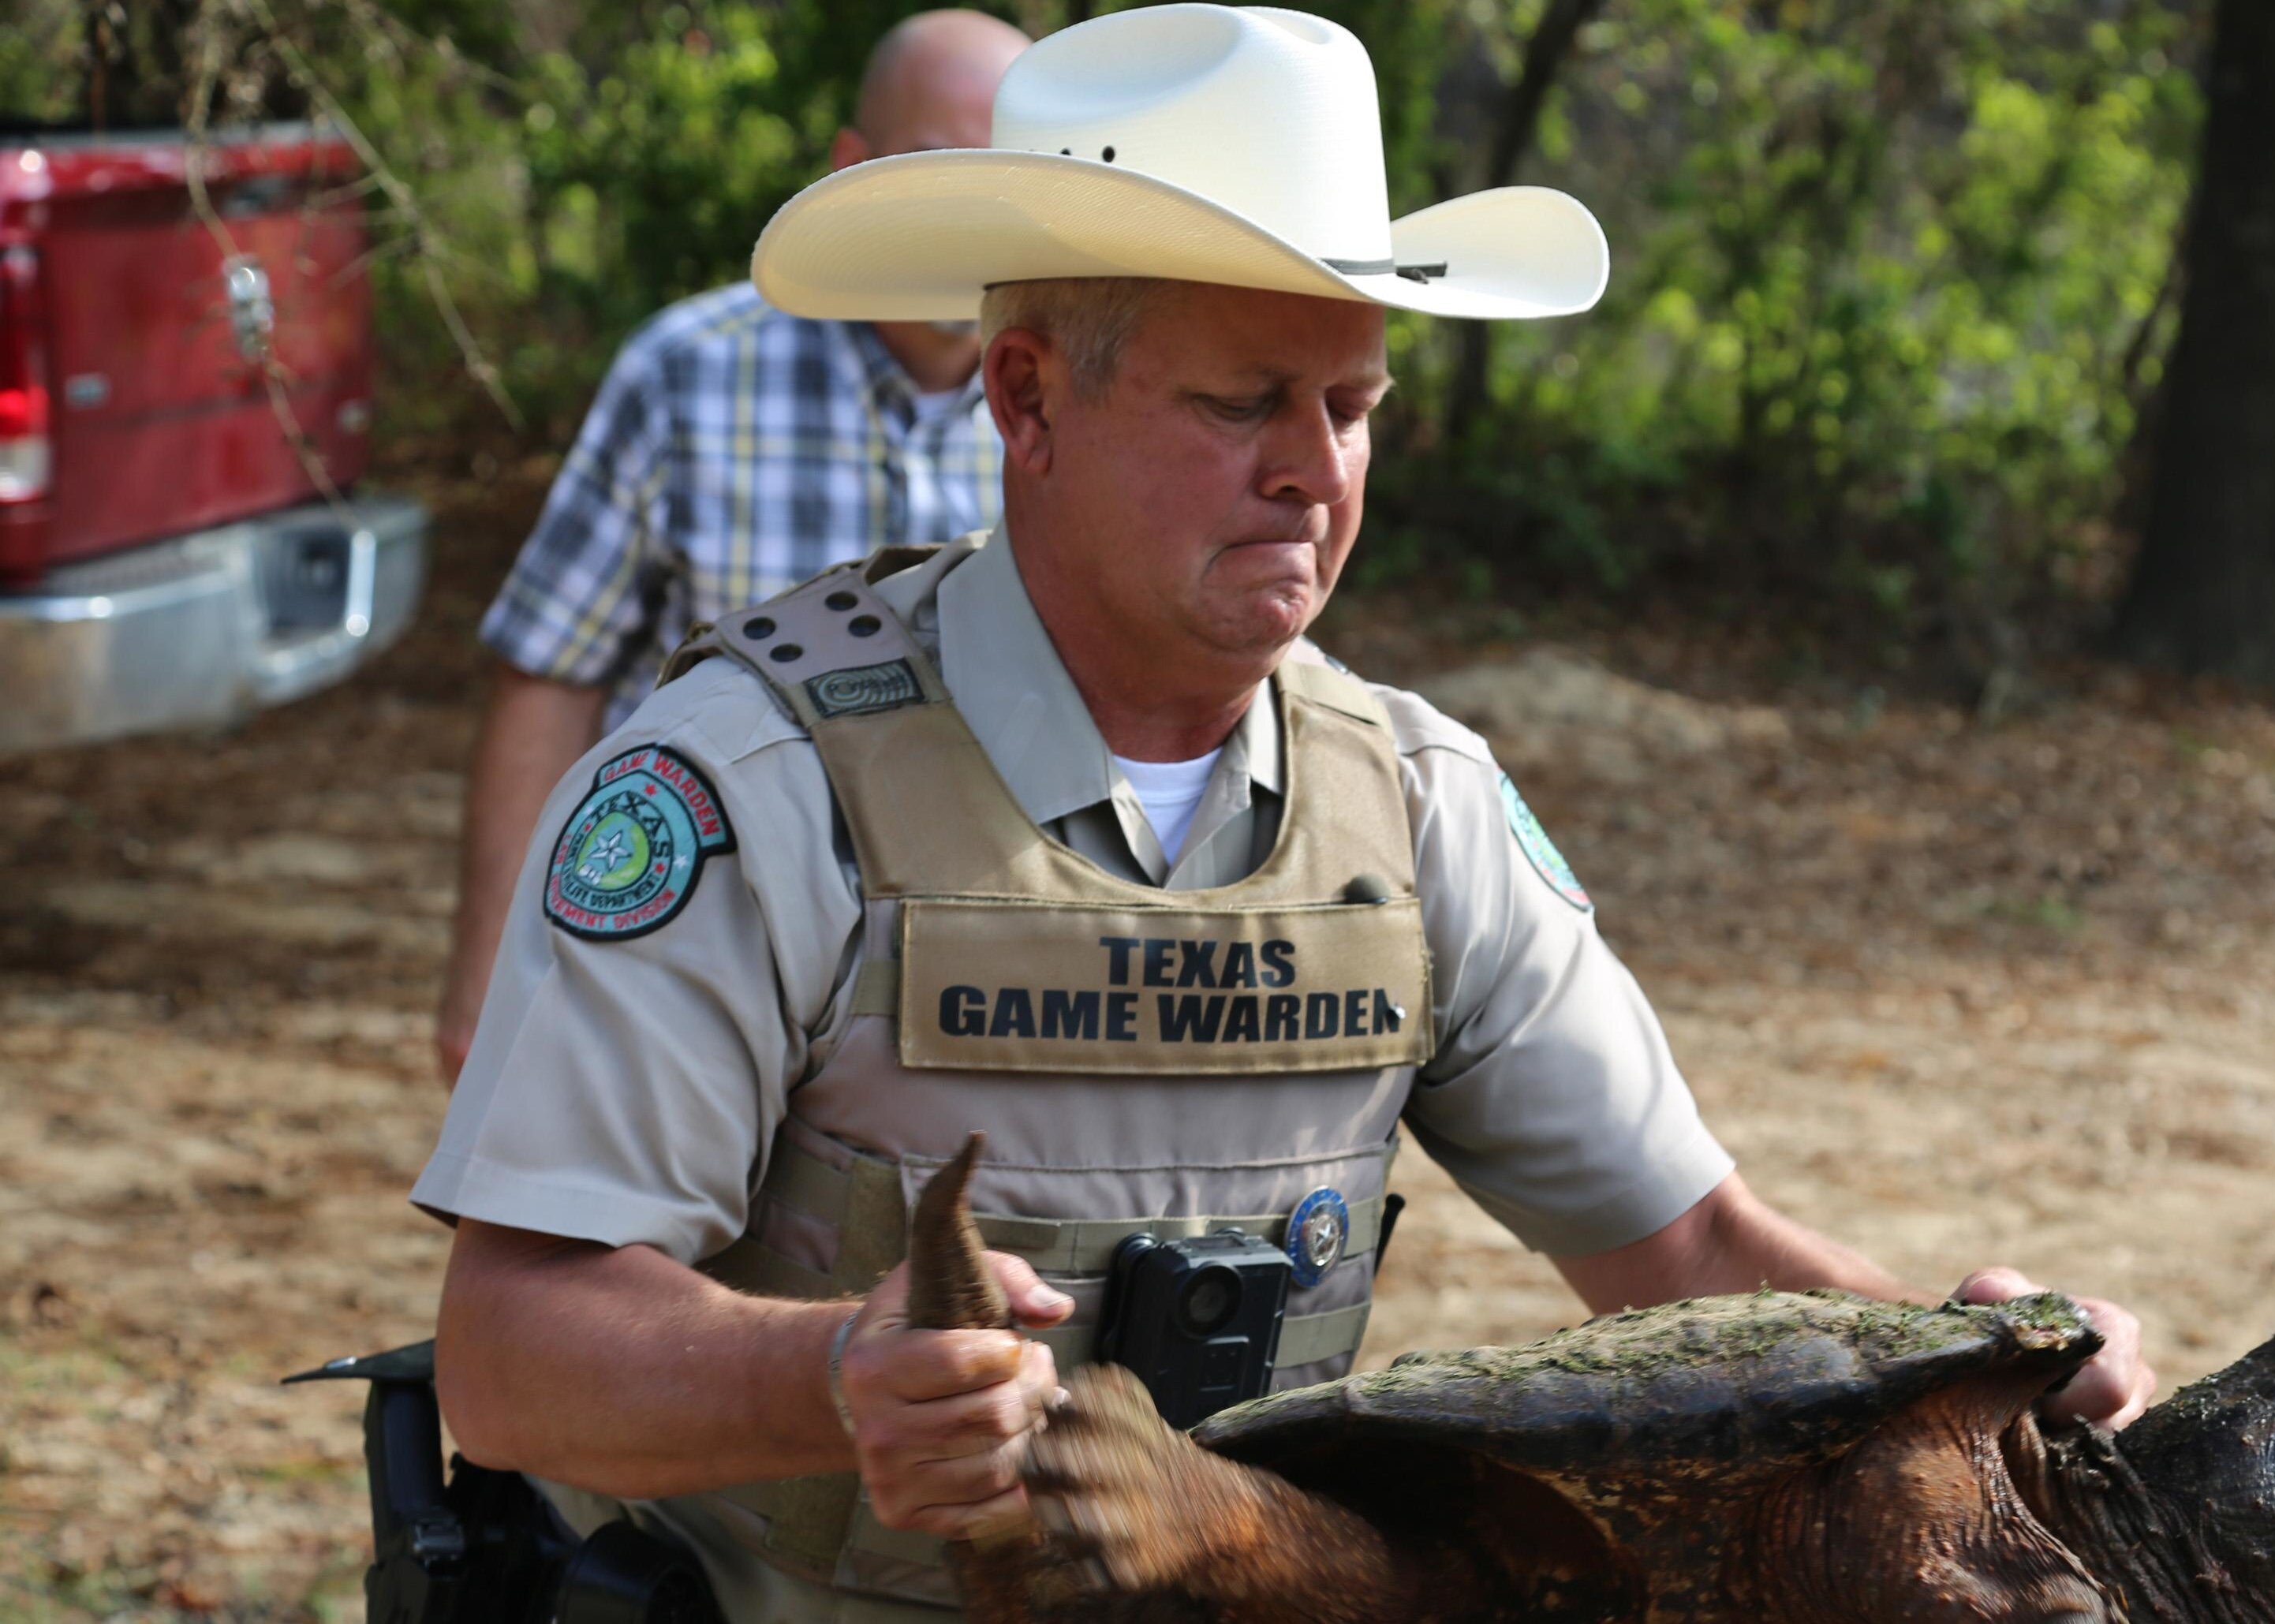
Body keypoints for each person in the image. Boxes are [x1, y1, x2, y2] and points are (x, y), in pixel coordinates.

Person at [414, 7, 2158, 1619]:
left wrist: (1964, 1358)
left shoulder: (1406, 803)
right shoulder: (757, 787)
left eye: (1349, 406)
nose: (1311, 471)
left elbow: (1686, 1248)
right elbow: (511, 1348)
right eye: (1240, 401)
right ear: (1026, 395)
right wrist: (828, 1375)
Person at [433, 9, 1032, 1086]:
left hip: (974, 989)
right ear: (853, 170)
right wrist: (490, 970)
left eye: (1011, 175)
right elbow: (552, 672)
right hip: (684, 963)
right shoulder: (692, 373)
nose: (976, 213)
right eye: (944, 168)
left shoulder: (1090, 414)